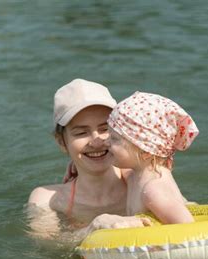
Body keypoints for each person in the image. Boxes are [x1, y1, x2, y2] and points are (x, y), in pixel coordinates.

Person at [27, 79, 151, 242]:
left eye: (105, 129)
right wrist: (93, 228)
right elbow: (46, 246)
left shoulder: (141, 180)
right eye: (81, 133)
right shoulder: (48, 200)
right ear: (61, 142)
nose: (97, 140)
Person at [107, 91, 199, 224]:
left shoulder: (153, 190)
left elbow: (187, 227)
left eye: (114, 139)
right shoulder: (135, 174)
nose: (106, 142)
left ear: (146, 150)